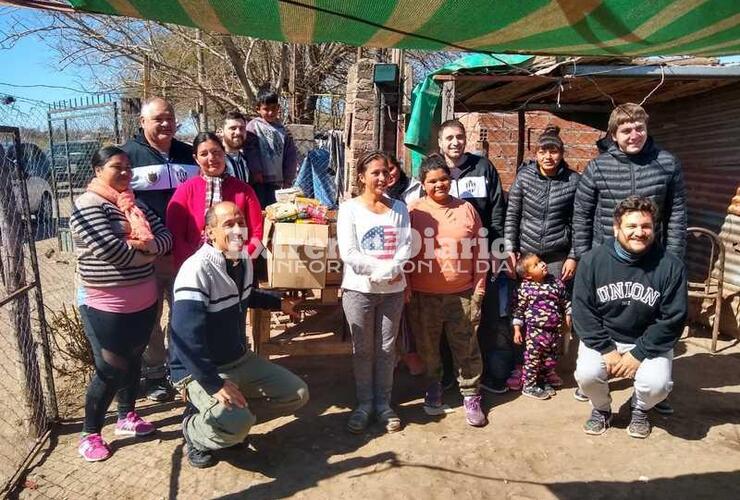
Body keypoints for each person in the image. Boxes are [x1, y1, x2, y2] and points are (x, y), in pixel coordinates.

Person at [169, 201, 309, 468]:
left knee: (297, 394)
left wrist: (280, 303)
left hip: (237, 358)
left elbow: (246, 296)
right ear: (209, 232)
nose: (237, 229)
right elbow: (185, 337)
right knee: (237, 422)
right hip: (197, 369)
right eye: (228, 224)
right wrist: (213, 384)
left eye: (241, 223)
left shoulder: (242, 259)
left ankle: (231, 426)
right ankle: (196, 432)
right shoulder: (196, 269)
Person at [572, 102, 686, 413]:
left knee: (650, 318)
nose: (634, 134)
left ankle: (651, 391)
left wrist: (673, 259)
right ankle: (595, 383)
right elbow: (581, 214)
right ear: (613, 135)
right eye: (626, 130)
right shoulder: (597, 167)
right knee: (598, 316)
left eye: (639, 128)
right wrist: (583, 257)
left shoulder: (667, 164)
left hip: (651, 260)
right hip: (606, 257)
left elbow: (676, 216)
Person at [70, 146, 173, 461]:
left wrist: (144, 245)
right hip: (104, 303)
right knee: (110, 368)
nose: (126, 173)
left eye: (129, 167)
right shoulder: (87, 205)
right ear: (98, 170)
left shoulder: (135, 202)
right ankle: (90, 433)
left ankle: (126, 416)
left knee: (135, 356)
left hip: (143, 297)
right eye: (118, 167)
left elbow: (166, 237)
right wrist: (147, 248)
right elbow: (110, 251)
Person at [573, 196, 687, 438]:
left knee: (657, 386)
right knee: (587, 375)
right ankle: (601, 409)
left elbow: (673, 319)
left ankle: (640, 407)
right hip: (607, 338)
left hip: (646, 341)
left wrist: (639, 353)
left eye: (646, 226)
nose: (639, 232)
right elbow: (583, 311)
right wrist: (606, 349)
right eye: (631, 226)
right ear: (616, 228)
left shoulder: (670, 265)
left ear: (654, 228)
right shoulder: (593, 261)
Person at [122, 97, 198, 402]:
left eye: (169, 118)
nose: (165, 124)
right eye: (158, 119)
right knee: (150, 318)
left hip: (186, 253)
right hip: (148, 257)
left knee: (186, 313)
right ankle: (154, 375)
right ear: (142, 122)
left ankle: (182, 371)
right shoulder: (128, 156)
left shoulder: (187, 153)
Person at [406, 154, 488, 427]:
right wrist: (406, 287)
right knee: (428, 347)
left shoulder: (467, 209)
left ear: (451, 180)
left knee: (466, 346)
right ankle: (434, 387)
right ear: (423, 183)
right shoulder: (414, 211)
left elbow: (481, 251)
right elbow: (404, 254)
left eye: (443, 179)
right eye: (432, 181)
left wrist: (479, 289)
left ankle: (471, 395)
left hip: (462, 292)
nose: (439, 185)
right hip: (422, 295)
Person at [337, 151, 412, 434]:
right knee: (363, 349)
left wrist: (394, 268)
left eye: (386, 172)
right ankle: (364, 404)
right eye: (375, 173)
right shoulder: (349, 209)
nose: (382, 178)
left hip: (393, 290)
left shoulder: (399, 208)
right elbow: (349, 252)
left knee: (385, 348)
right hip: (360, 290)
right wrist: (382, 271)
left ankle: (384, 404)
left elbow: (405, 245)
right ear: (362, 177)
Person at [504, 125, 580, 391]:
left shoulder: (573, 181)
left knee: (554, 313)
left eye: (554, 151)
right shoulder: (524, 178)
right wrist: (510, 250)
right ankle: (521, 366)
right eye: (543, 151)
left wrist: (573, 255)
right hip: (527, 255)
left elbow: (579, 221)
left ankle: (548, 367)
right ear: (536, 153)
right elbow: (512, 215)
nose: (549, 156)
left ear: (561, 154)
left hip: (558, 255)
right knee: (523, 311)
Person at [437, 119, 507, 394]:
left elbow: (498, 210)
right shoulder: (435, 169)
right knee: (447, 316)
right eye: (449, 138)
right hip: (444, 258)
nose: (455, 142)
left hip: (481, 255)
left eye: (460, 137)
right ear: (440, 143)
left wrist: (498, 250)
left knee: (485, 314)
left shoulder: (483, 167)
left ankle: (484, 373)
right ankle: (445, 374)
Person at [166, 132, 263, 270]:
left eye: (216, 152)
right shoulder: (185, 191)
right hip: (196, 269)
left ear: (224, 153)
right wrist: (196, 264)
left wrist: (242, 260)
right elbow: (176, 235)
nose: (211, 158)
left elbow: (257, 234)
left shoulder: (244, 191)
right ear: (196, 158)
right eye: (204, 154)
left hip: (238, 267)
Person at [511, 253, 571, 400]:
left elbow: (565, 300)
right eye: (536, 265)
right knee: (533, 358)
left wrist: (569, 315)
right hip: (535, 331)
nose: (543, 264)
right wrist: (517, 329)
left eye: (541, 261)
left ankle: (542, 381)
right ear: (527, 276)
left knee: (550, 358)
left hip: (554, 330)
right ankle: (529, 385)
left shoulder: (555, 283)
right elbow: (518, 310)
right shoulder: (524, 289)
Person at [245, 87, 299, 208]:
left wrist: (288, 179)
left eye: (273, 109)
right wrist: (256, 171)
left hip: (278, 183)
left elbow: (290, 157)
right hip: (259, 182)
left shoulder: (284, 131)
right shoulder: (253, 126)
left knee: (276, 212)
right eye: (266, 109)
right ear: (258, 109)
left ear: (278, 108)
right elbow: (251, 150)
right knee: (260, 211)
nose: (270, 112)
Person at [221, 110, 251, 183]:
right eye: (233, 128)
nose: (238, 132)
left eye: (242, 128)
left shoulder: (247, 160)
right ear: (221, 131)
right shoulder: (216, 161)